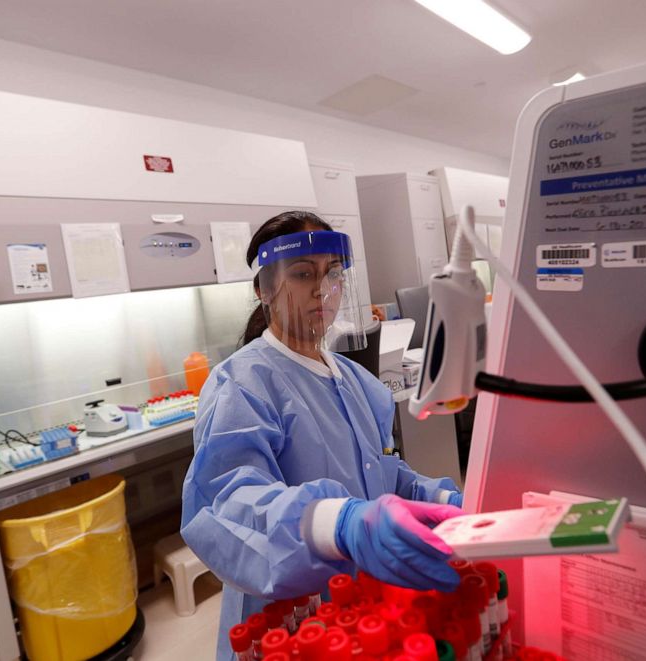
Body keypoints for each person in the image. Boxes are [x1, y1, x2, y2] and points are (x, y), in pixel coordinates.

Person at [181, 210, 465, 660]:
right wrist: (336, 523)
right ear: (263, 289)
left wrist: (441, 502)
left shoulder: (356, 380)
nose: (322, 289)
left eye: (333, 272)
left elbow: (384, 474)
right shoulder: (240, 383)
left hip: (361, 603)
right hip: (289, 617)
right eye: (302, 273)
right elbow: (228, 506)